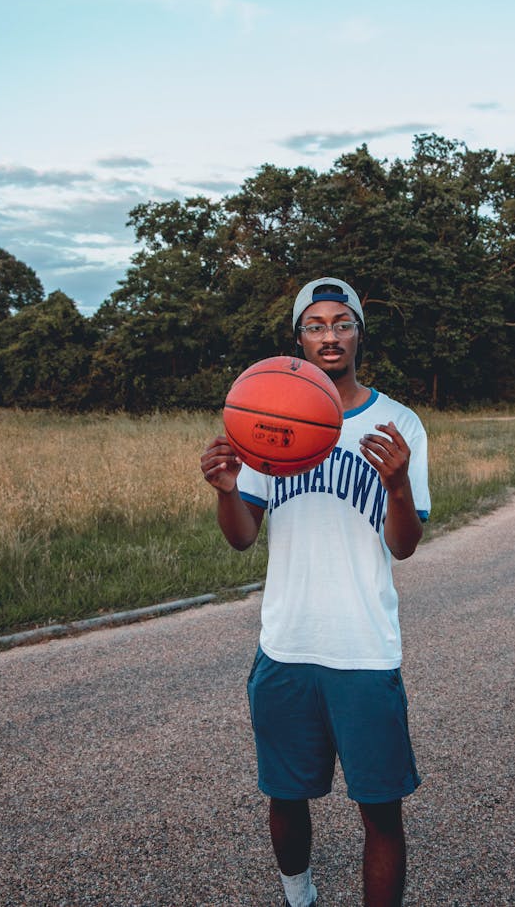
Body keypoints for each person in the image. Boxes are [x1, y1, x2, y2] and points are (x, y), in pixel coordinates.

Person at [200, 277, 430, 907]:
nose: (330, 336)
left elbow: (404, 545)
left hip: (363, 650)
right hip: (287, 646)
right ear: (299, 337)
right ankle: (299, 897)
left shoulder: (397, 422)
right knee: (286, 793)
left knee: (380, 811)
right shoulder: (265, 417)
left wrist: (401, 486)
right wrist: (226, 490)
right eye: (316, 325)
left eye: (342, 323)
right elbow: (243, 538)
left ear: (359, 332)